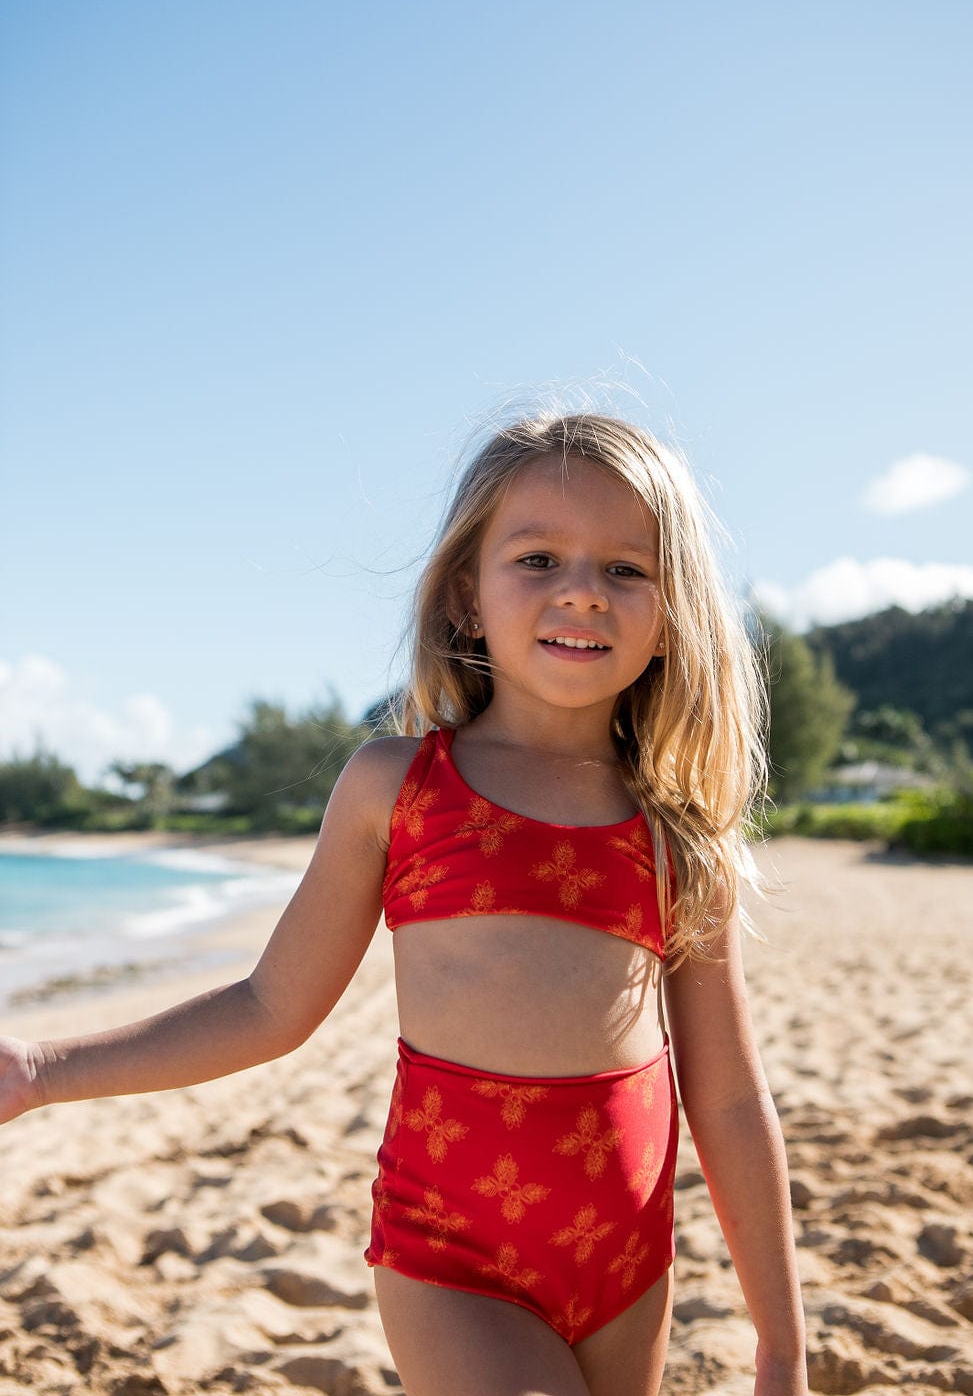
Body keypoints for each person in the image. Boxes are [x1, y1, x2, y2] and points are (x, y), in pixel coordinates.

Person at [0, 411, 808, 1396]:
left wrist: (779, 1345)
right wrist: (39, 1070)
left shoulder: (677, 837)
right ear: (467, 596)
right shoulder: (400, 789)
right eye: (540, 558)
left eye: (627, 570)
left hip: (625, 1260)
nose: (583, 592)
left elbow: (725, 1096)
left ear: (673, 608)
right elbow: (269, 1008)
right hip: (452, 1258)